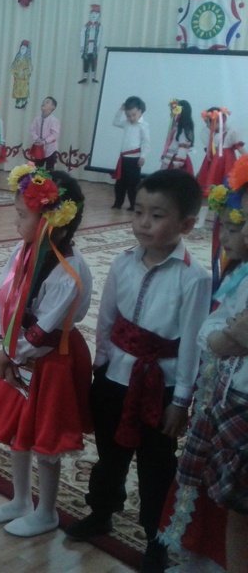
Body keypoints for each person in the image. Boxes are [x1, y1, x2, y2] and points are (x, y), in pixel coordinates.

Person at [65, 170, 211, 573]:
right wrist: (101, 365)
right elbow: (107, 319)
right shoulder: (122, 263)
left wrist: (181, 401)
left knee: (155, 465)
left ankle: (155, 537)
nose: (144, 223)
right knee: (110, 454)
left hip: (159, 387)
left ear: (186, 225)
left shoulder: (194, 278)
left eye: (157, 215)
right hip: (115, 377)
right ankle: (102, 511)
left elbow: (193, 344)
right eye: (139, 211)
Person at [0, 165, 92, 538]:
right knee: (19, 430)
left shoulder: (68, 271)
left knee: (45, 438)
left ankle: (47, 511)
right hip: (20, 354)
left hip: (51, 361)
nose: (16, 223)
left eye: (22, 216)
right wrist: (7, 349)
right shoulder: (23, 251)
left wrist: (12, 354)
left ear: (55, 223)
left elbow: (44, 332)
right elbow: (7, 299)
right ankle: (21, 499)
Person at [157, 177, 247, 572]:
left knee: (235, 500)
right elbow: (213, 330)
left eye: (234, 227)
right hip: (222, 397)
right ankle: (202, 557)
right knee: (213, 485)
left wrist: (227, 337)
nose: (224, 237)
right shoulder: (239, 276)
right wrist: (224, 337)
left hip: (238, 401)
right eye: (223, 226)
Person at [112, 96, 150, 211]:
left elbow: (146, 142)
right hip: (124, 158)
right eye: (128, 115)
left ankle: (134, 205)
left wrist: (143, 156)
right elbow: (115, 122)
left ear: (140, 111)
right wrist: (120, 110)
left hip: (135, 159)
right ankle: (118, 203)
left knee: (133, 184)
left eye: (134, 115)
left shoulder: (144, 126)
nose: (131, 118)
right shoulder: (126, 123)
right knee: (120, 183)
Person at [197, 106, 245, 197]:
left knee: (226, 182)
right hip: (213, 162)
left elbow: (240, 149)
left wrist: (245, 159)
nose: (208, 126)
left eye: (209, 122)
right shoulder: (211, 135)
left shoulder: (230, 133)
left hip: (226, 162)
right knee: (212, 180)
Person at [160, 99, 194, 175]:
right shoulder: (176, 127)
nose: (174, 113)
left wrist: (177, 163)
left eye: (176, 110)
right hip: (170, 159)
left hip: (177, 161)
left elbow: (183, 148)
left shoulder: (185, 129)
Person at [28, 97, 61, 171]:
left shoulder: (54, 120)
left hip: (50, 149)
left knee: (50, 169)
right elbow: (32, 130)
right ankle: (37, 178)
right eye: (43, 102)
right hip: (39, 147)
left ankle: (49, 178)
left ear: (53, 107)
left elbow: (55, 134)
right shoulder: (37, 119)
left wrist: (45, 141)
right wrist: (37, 138)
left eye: (47, 102)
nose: (44, 103)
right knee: (37, 167)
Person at [79, 5, 102, 84]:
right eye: (92, 13)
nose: (94, 15)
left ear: (98, 15)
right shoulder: (86, 26)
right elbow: (82, 35)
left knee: (93, 62)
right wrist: (82, 46)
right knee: (86, 61)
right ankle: (85, 77)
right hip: (87, 47)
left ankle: (93, 77)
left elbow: (99, 36)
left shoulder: (99, 26)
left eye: (96, 14)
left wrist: (97, 45)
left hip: (94, 47)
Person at [10, 40, 32, 109]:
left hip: (24, 79)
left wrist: (24, 73)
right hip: (17, 79)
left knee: (23, 93)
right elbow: (12, 66)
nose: (22, 50)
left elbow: (30, 68)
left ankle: (23, 102)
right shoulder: (17, 58)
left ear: (27, 50)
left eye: (24, 49)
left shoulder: (28, 59)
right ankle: (17, 103)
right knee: (17, 93)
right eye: (21, 48)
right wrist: (16, 72)